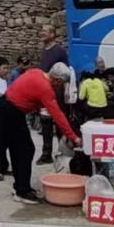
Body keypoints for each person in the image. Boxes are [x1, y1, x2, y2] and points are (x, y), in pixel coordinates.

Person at [0, 63, 79, 205]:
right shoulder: (46, 89)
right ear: (57, 80)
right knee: (24, 150)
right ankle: (22, 191)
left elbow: (27, 92)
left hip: (6, 107)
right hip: (11, 112)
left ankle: (20, 186)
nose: (60, 86)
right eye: (62, 83)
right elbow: (58, 115)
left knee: (19, 150)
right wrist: (73, 137)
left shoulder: (36, 72)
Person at [36, 25, 69, 164]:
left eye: (45, 31)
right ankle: (46, 154)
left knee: (60, 122)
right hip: (44, 91)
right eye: (42, 30)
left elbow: (65, 73)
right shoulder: (44, 50)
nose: (42, 33)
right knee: (45, 122)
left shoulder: (59, 51)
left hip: (57, 92)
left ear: (52, 34)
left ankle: (63, 152)